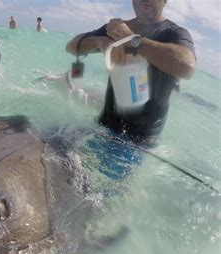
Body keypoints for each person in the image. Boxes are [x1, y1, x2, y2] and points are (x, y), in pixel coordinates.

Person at [66, 0, 196, 145]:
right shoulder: (118, 29)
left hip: (139, 141)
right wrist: (99, 41)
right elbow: (71, 47)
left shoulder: (174, 33)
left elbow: (187, 67)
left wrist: (133, 40)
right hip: (103, 125)